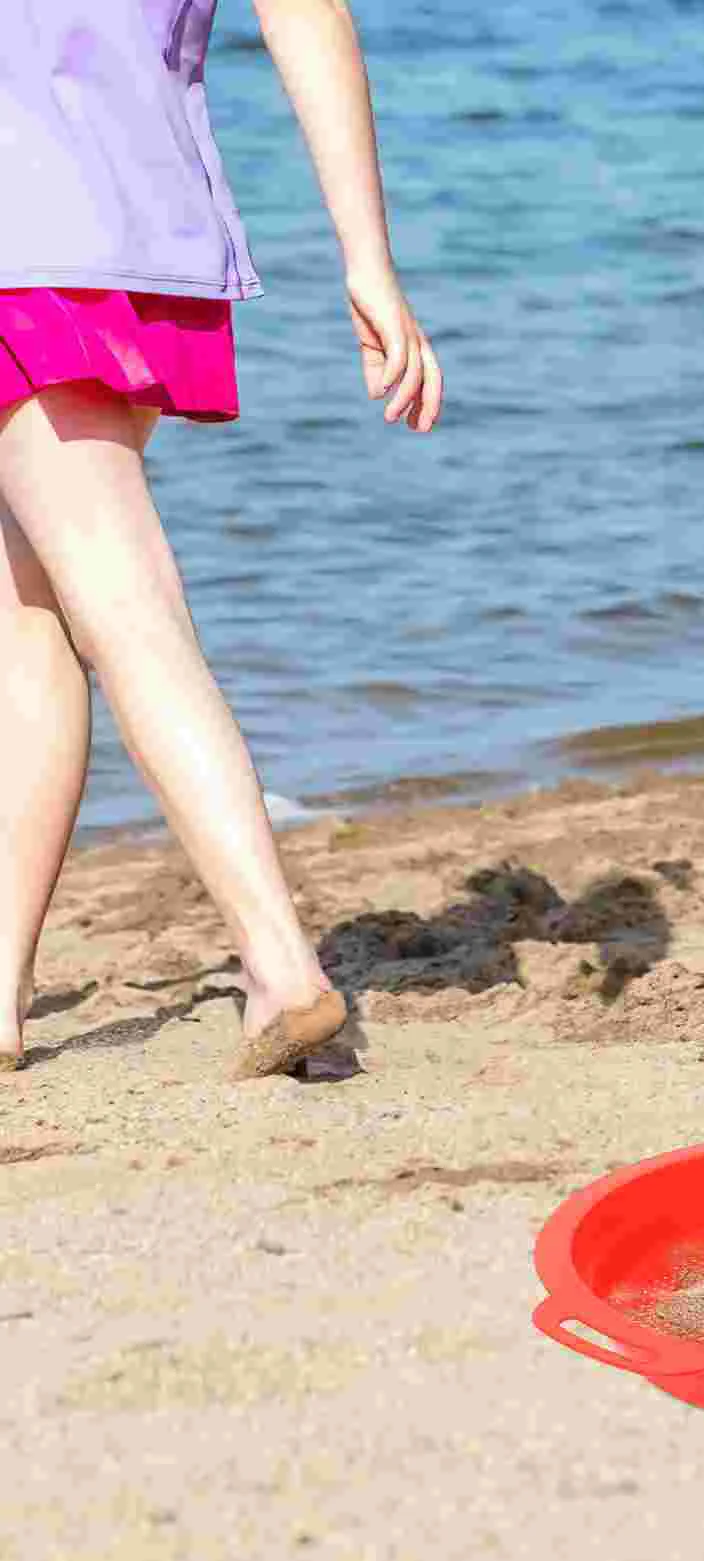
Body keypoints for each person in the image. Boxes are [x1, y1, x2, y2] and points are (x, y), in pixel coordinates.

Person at [0, 0, 443, 1076]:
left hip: (23, 240)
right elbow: (308, 13)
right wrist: (367, 258)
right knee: (33, 609)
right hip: (149, 233)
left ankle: (283, 962)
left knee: (118, 599)